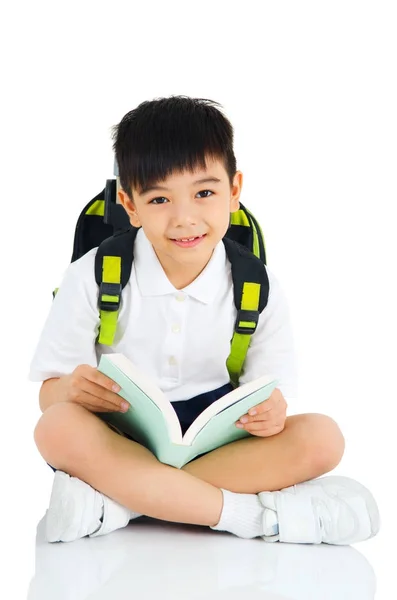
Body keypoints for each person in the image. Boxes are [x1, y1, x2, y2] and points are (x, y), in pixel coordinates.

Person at [29, 95, 380, 545]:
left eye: (205, 192)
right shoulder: (92, 276)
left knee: (323, 438)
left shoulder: (256, 285)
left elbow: (273, 398)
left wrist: (270, 416)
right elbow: (49, 395)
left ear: (235, 191)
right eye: (159, 198)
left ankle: (120, 504)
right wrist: (71, 388)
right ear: (128, 203)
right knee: (56, 427)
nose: (184, 218)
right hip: (120, 432)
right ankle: (254, 519)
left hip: (217, 440)